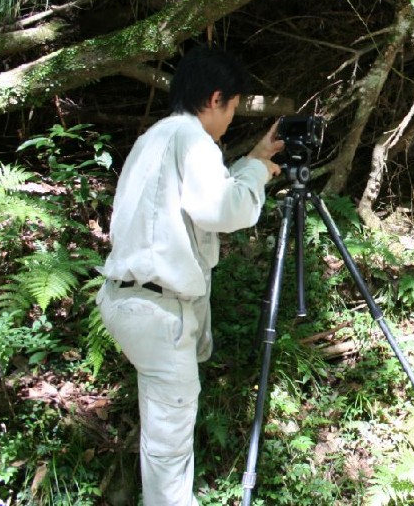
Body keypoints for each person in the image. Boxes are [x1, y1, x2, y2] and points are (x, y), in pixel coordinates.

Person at [96, 45, 284, 505]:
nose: (231, 119)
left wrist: (253, 162)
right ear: (216, 97)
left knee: (163, 425)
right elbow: (223, 209)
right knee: (169, 445)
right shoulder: (193, 139)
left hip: (129, 302)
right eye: (234, 107)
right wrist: (258, 174)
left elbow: (196, 203)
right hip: (158, 312)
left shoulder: (158, 137)